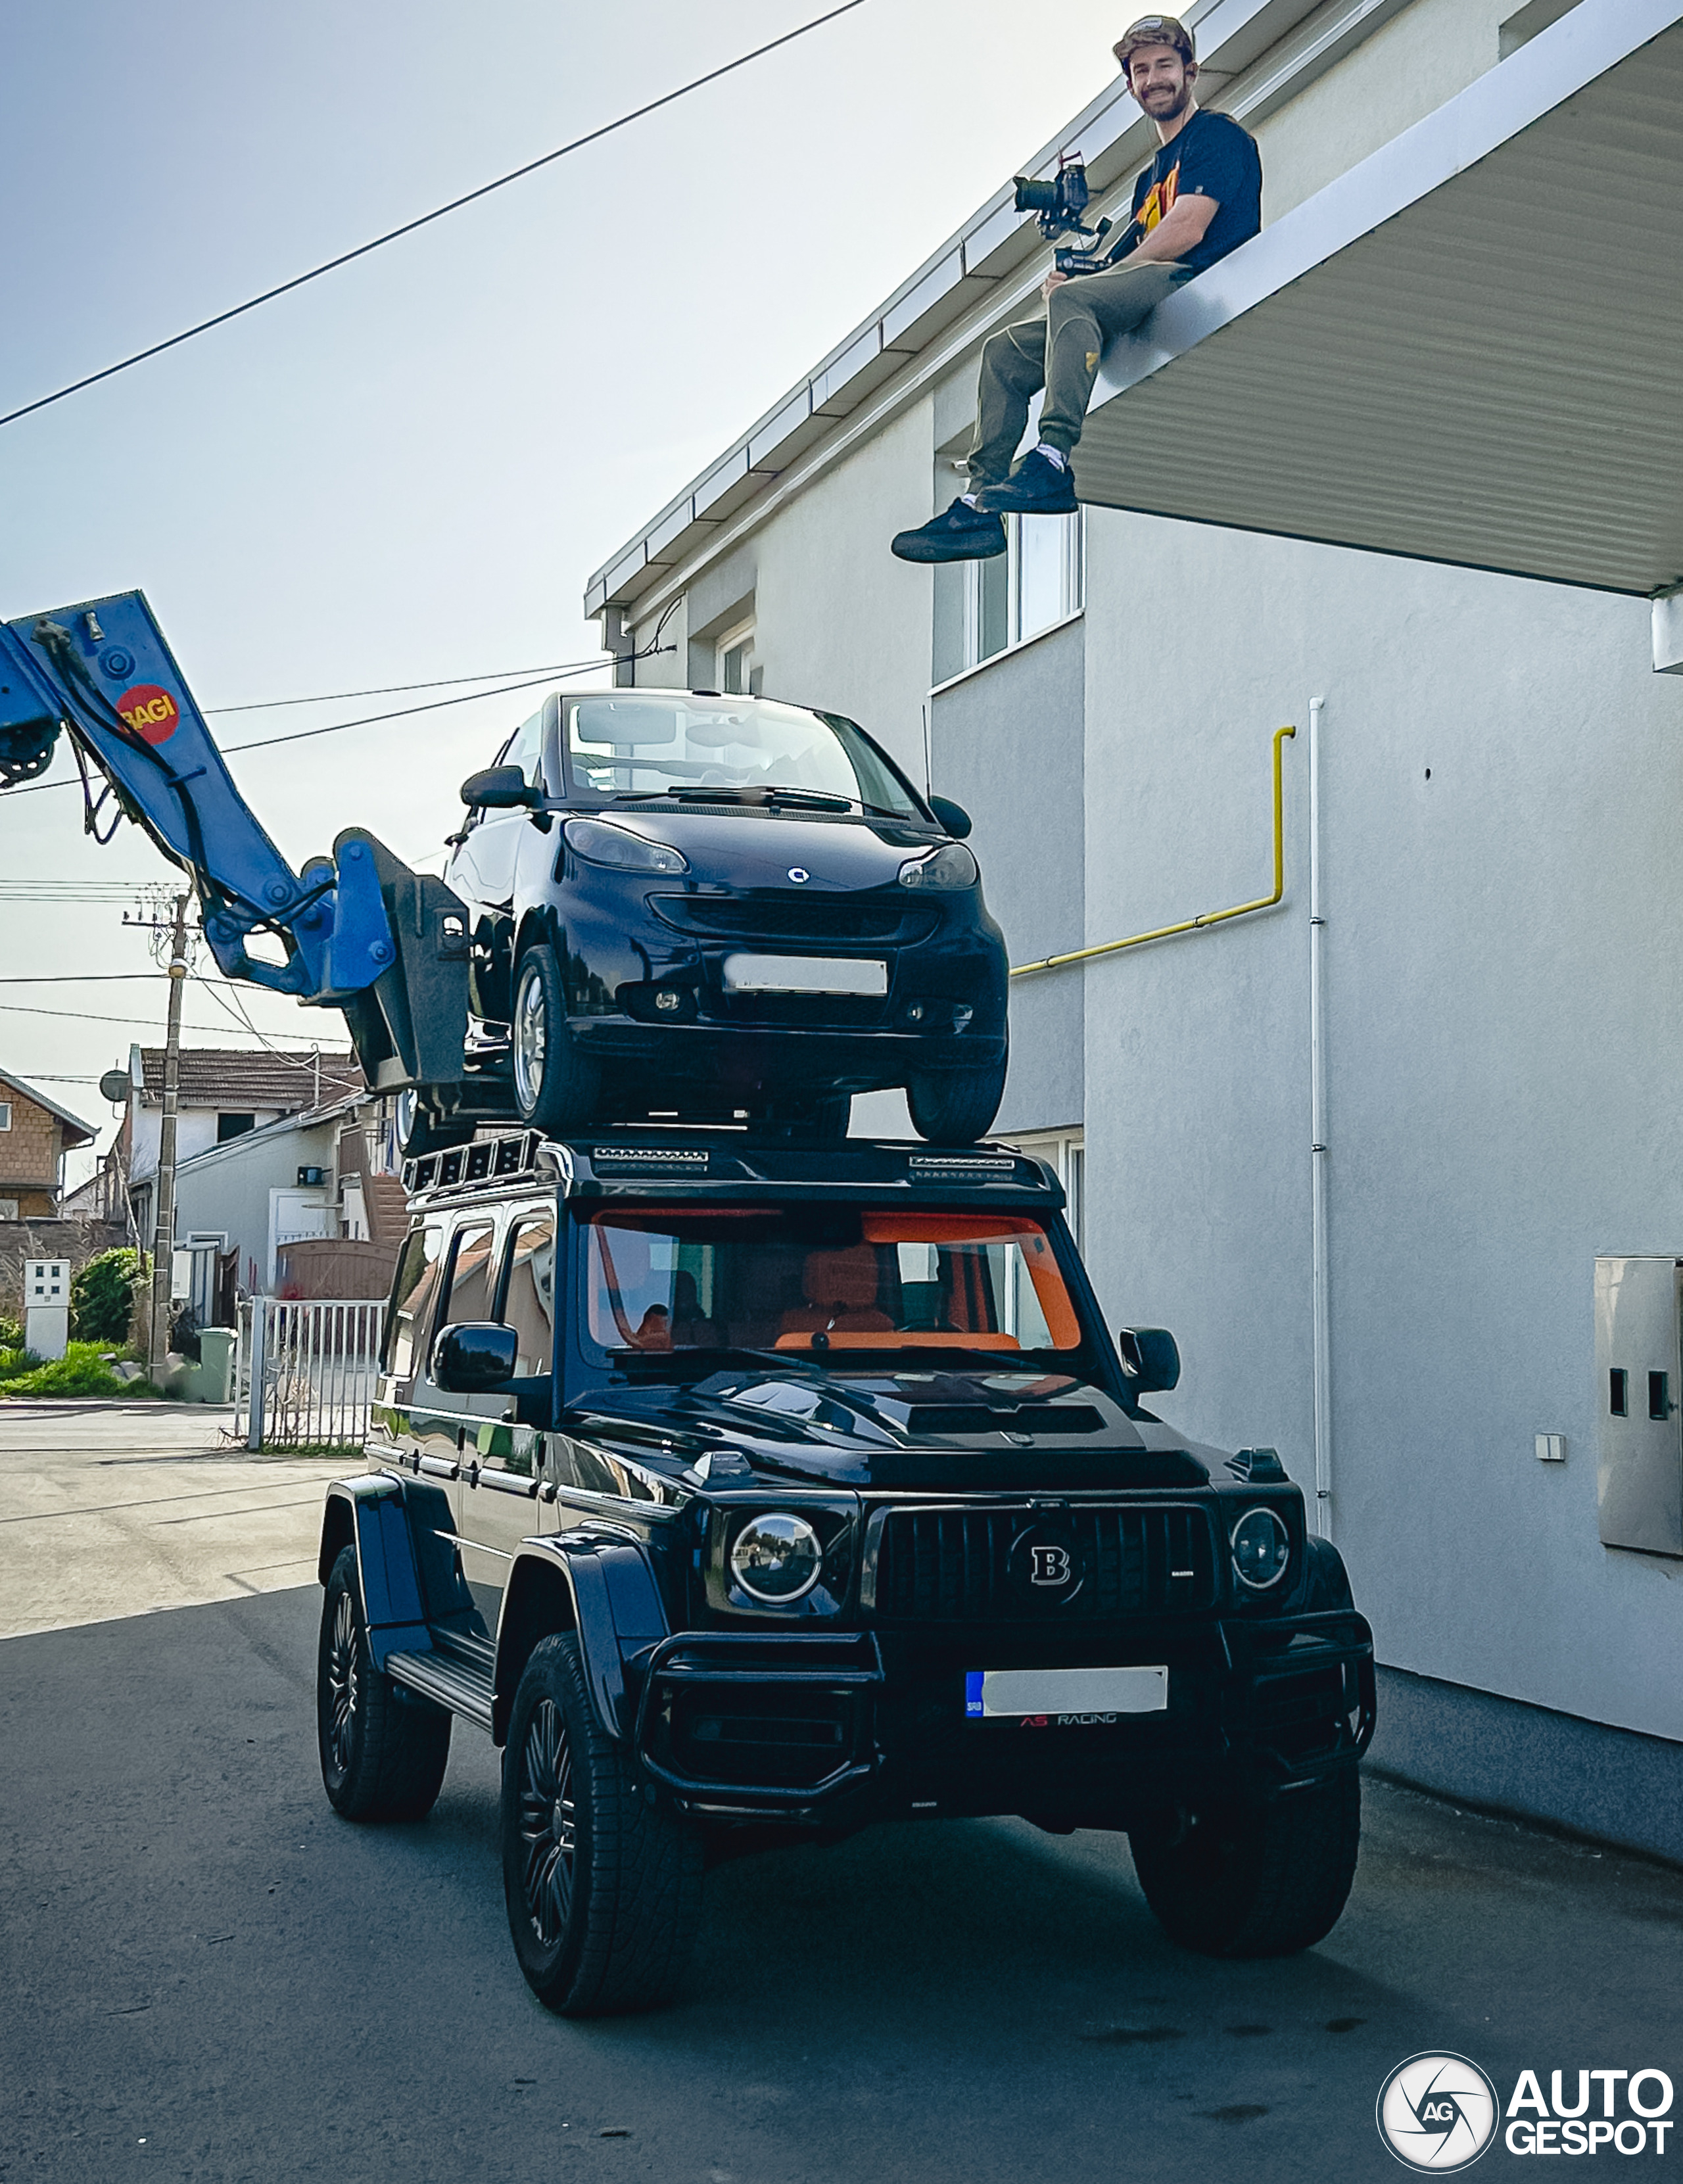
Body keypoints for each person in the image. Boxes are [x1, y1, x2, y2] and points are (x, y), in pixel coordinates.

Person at [892, 14, 1262, 565]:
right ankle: (979, 507)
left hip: (1198, 281)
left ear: (1191, 71)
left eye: (1165, 65)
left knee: (1074, 299)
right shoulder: (1149, 179)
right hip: (1151, 286)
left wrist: (1089, 288)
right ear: (1131, 86)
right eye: (1142, 70)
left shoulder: (1216, 136)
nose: (1154, 78)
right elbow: (1125, 259)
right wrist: (1076, 282)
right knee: (1004, 352)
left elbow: (1187, 230)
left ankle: (1052, 460)